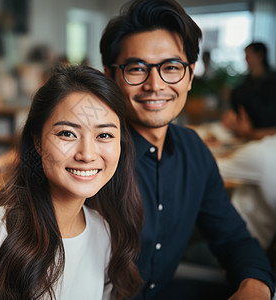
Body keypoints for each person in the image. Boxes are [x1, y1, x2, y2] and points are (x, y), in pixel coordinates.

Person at [100, 0, 275, 299]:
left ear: (190, 75)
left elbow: (234, 240)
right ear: (110, 76)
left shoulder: (193, 150)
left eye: (171, 68)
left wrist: (255, 286)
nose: (155, 85)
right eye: (136, 68)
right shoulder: (91, 156)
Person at [0, 64, 144, 299]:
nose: (87, 154)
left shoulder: (104, 231)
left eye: (104, 135)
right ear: (38, 142)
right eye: (67, 133)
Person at [217, 131, 276, 250]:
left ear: (243, 115)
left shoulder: (261, 152)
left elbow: (206, 167)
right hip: (256, 245)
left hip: (246, 246)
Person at [222, 42, 276, 140]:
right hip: (244, 132)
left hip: (264, 134)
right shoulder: (246, 81)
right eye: (245, 56)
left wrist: (251, 132)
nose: (246, 59)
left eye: (248, 55)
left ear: (260, 55)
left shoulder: (271, 81)